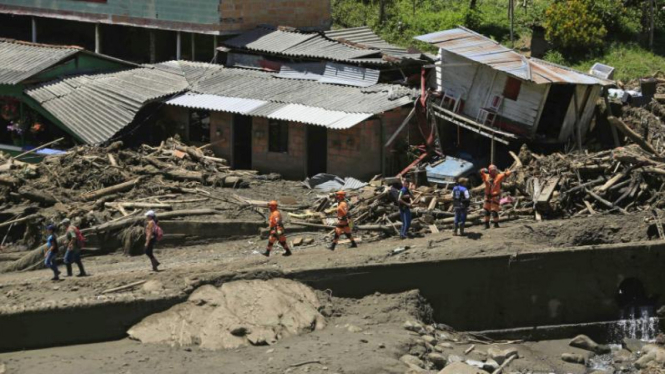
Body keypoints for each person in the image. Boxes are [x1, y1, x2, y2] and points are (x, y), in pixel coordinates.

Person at [480, 164, 512, 229]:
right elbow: (480, 172)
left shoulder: (499, 176)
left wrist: (508, 171)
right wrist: (483, 169)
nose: (493, 172)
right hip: (487, 196)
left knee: (494, 211)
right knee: (486, 211)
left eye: (494, 170)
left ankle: (496, 224)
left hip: (495, 196)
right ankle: (486, 225)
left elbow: (508, 174)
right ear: (489, 171)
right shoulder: (486, 176)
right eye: (492, 170)